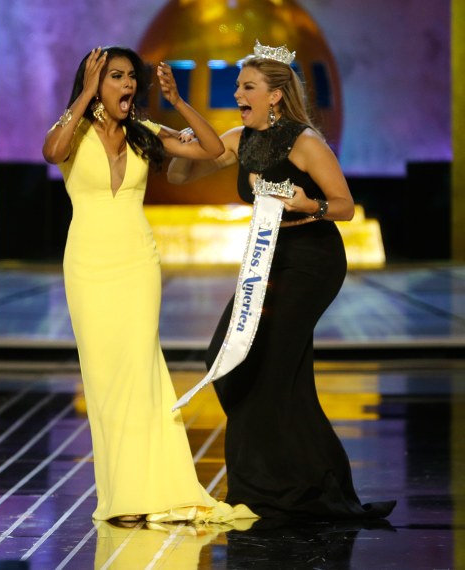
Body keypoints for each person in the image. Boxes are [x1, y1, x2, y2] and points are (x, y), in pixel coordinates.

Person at [167, 41, 396, 520]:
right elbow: (181, 174)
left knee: (269, 369)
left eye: (247, 86)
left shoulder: (305, 142)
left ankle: (268, 487)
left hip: (311, 259)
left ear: (274, 95)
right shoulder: (238, 137)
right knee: (227, 361)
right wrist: (185, 140)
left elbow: (345, 207)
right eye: (237, 86)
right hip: (267, 260)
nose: (237, 94)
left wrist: (305, 204)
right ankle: (310, 479)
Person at [42, 46, 257, 525]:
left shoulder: (147, 135)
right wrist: (82, 96)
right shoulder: (73, 134)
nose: (129, 85)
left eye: (131, 77)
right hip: (88, 264)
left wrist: (177, 101)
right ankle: (122, 491)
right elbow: (51, 152)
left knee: (140, 371)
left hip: (137, 262)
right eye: (116, 76)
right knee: (103, 379)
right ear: (95, 83)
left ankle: (156, 487)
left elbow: (214, 150)